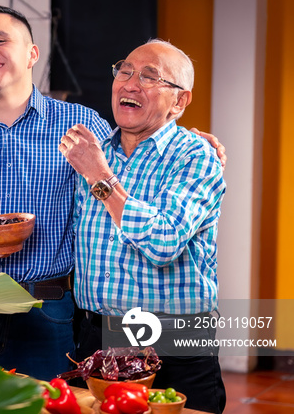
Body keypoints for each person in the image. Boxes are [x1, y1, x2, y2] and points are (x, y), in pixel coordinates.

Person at [0, 5, 226, 382]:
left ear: (32, 54)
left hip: (50, 311)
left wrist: (195, 140)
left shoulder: (82, 129)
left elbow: (140, 138)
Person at [59, 39, 227, 413]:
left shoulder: (197, 156)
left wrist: (100, 177)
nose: (130, 84)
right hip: (94, 335)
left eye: (150, 77)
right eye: (125, 71)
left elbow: (163, 241)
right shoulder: (94, 148)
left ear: (180, 102)